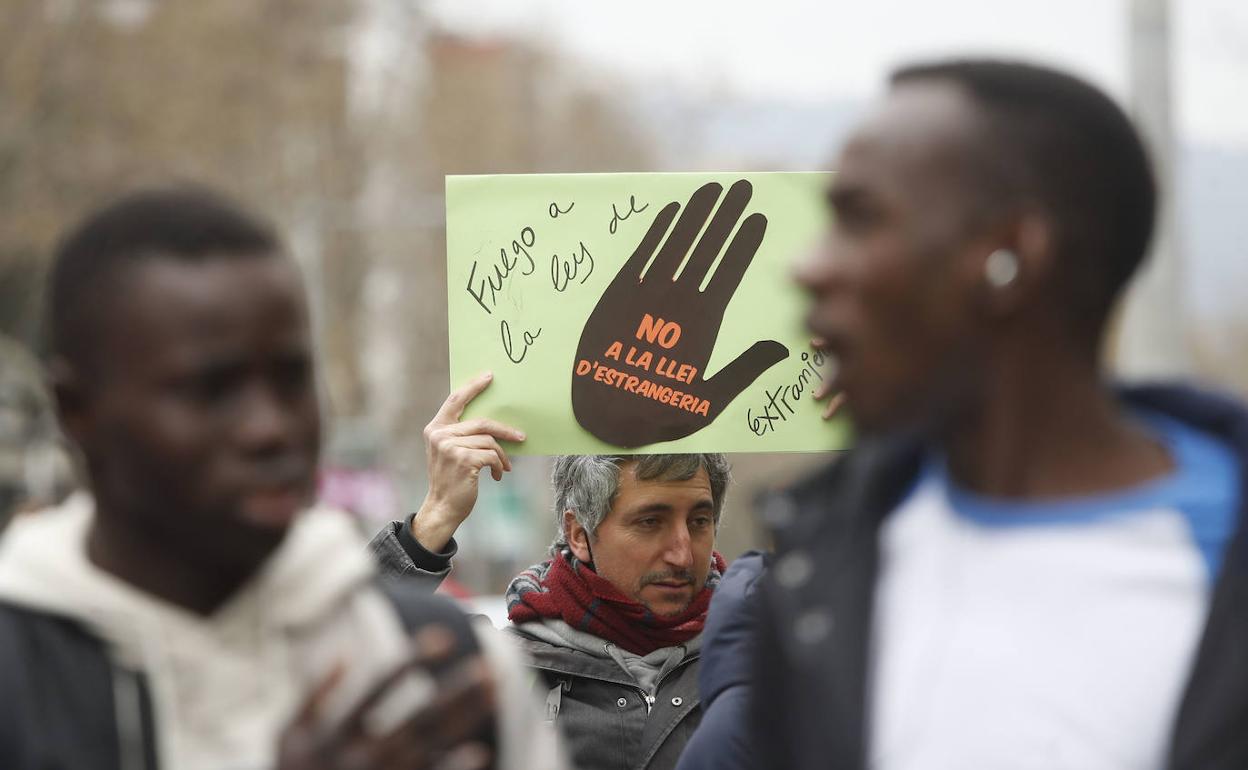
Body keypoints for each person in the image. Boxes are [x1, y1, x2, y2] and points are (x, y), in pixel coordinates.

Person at [753, 59, 1248, 769]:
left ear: (1009, 256)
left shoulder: (1220, 560)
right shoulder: (819, 574)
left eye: (859, 218)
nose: (810, 268)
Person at [0, 187, 565, 770]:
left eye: (292, 378)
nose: (269, 427)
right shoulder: (18, 675)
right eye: (209, 390)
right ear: (77, 410)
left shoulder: (446, 671)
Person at [373, 376, 730, 770]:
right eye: (650, 522)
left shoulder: (764, 663)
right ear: (580, 534)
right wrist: (436, 515)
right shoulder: (499, 676)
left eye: (699, 521)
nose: (682, 554)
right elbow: (344, 663)